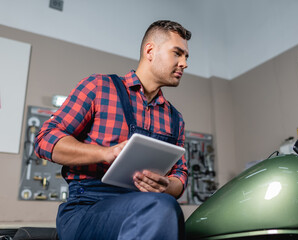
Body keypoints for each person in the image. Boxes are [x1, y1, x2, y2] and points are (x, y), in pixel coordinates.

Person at [34, 20, 191, 240]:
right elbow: (45, 140)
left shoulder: (175, 119)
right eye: (177, 53)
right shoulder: (98, 87)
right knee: (162, 209)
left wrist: (167, 185)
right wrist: (105, 153)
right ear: (150, 51)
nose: (184, 63)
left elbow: (180, 175)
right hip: (87, 207)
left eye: (186, 57)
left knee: (168, 210)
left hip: (148, 204)